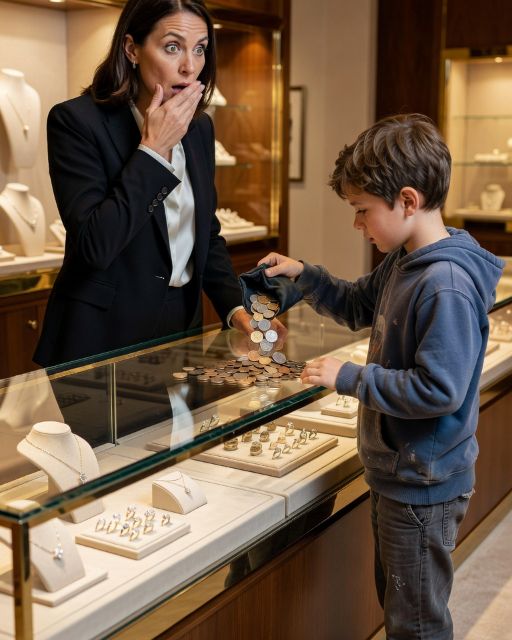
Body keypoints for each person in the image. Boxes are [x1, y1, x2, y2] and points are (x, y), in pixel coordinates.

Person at [258, 114, 504, 640]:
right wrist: (306, 276)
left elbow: (438, 390)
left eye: (362, 210)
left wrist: (350, 376)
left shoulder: (445, 284)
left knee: (416, 623)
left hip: (424, 486)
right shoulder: (403, 261)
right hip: (400, 476)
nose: (357, 224)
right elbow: (357, 303)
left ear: (408, 201)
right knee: (399, 606)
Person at [34, 0, 255, 368]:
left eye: (200, 49)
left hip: (180, 327)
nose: (189, 66)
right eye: (173, 47)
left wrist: (235, 307)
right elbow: (95, 245)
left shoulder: (199, 127)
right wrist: (152, 151)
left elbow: (205, 233)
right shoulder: (76, 121)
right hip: (101, 337)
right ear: (132, 49)